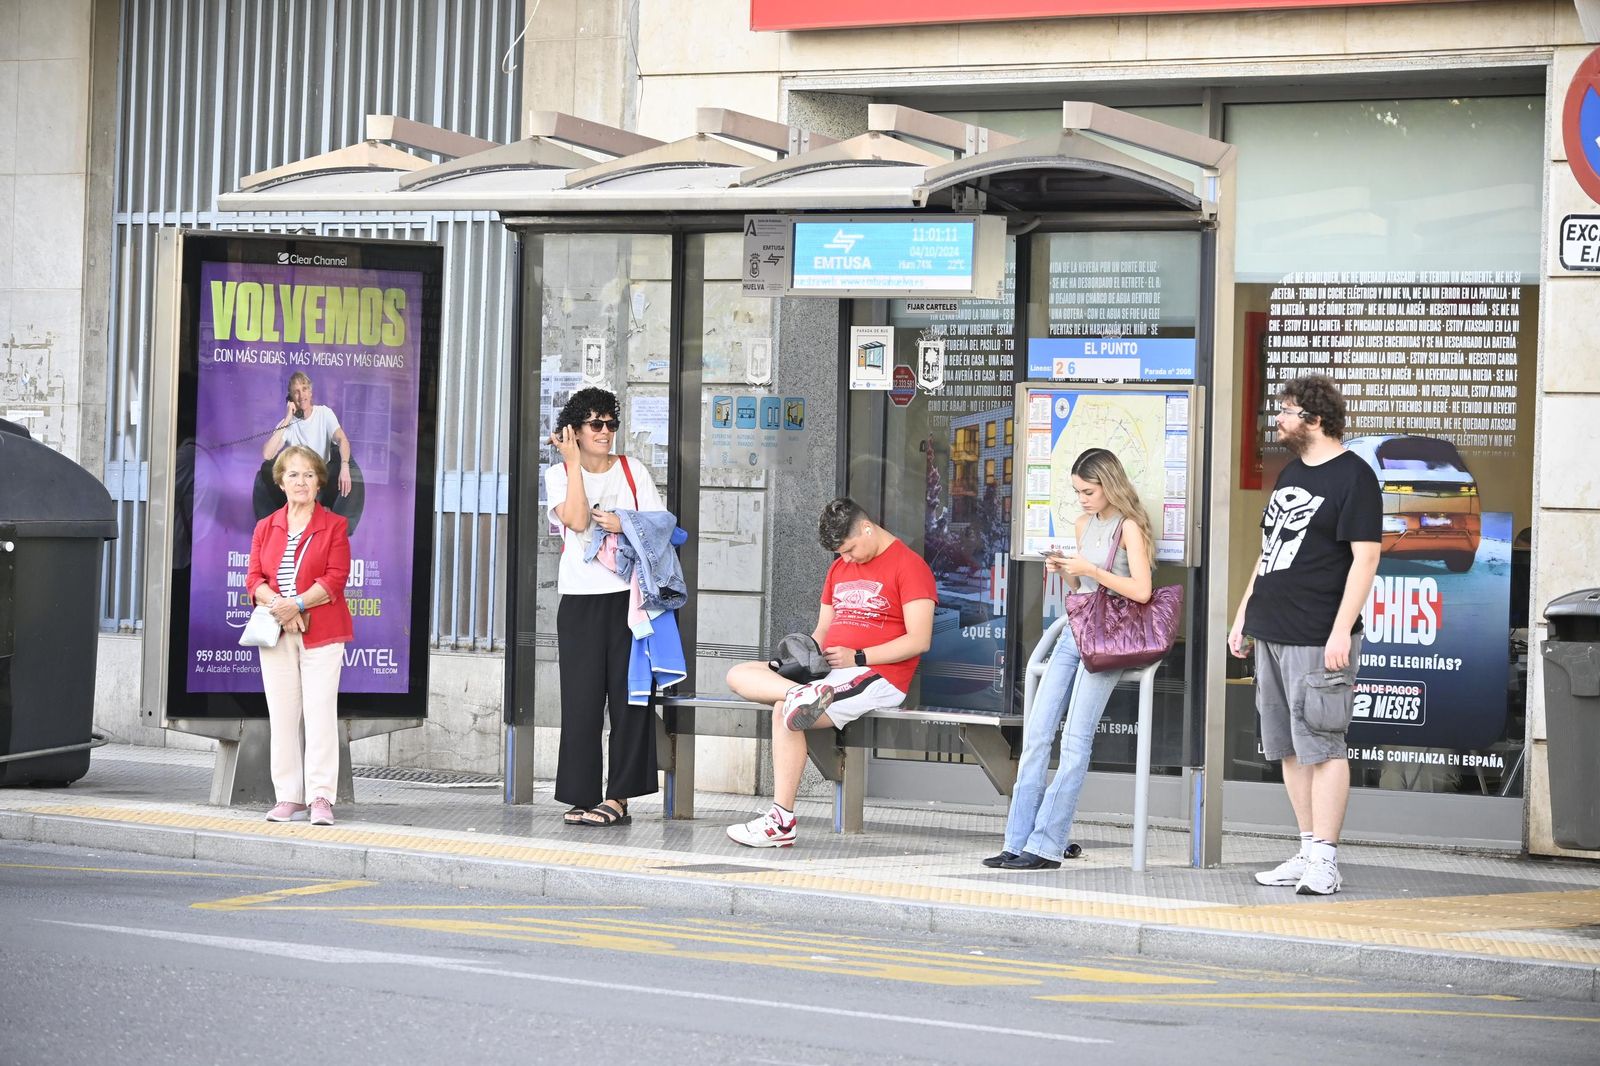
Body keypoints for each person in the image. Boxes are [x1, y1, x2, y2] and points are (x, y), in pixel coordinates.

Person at [1229, 373, 1381, 896]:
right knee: (1288, 748)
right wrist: (1244, 612)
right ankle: (1306, 847)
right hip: (1271, 627)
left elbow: (1366, 560)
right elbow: (1269, 551)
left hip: (1319, 634)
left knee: (1324, 744)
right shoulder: (1290, 472)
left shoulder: (1354, 477)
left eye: (1288, 410)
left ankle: (1326, 861)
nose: (1279, 418)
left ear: (1314, 419)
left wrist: (1342, 630)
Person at [725, 498, 936, 848]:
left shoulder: (910, 567)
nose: (846, 559)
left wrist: (860, 655)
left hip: (876, 674)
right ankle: (798, 693)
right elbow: (823, 629)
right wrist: (807, 655)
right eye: (841, 553)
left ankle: (780, 821)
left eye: (850, 549)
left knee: (786, 711)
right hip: (827, 673)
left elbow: (919, 639)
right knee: (740, 673)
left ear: (866, 528)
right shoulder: (839, 568)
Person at [984, 448, 1154, 871]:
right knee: (1038, 733)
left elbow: (1142, 591)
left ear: (1109, 485)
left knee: (1075, 741)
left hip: (1109, 639)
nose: (1082, 498)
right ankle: (1017, 839)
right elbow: (1080, 588)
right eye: (1077, 491)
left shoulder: (1128, 527)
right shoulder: (1082, 525)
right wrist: (1066, 570)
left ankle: (1047, 845)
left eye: (1089, 490)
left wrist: (1091, 572)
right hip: (1075, 632)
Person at [544, 387, 665, 828]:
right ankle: (581, 793)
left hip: (630, 601)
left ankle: (619, 797)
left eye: (611, 423)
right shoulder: (559, 475)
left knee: (631, 698)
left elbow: (661, 526)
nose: (605, 432)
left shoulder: (634, 471)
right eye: (595, 424)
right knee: (581, 700)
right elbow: (576, 520)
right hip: (578, 601)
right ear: (574, 430)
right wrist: (575, 465)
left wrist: (623, 522)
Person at [245, 444, 354, 826]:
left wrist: (298, 606)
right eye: (292, 474)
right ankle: (288, 796)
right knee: (283, 716)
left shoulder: (334, 526)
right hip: (277, 633)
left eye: (308, 474)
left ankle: (321, 797)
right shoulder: (266, 526)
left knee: (321, 714)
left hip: (322, 632)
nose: (300, 481)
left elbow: (335, 580)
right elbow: (254, 579)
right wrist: (280, 606)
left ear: (319, 481)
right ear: (281, 480)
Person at [264, 372, 353, 502]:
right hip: (300, 482)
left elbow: (342, 440)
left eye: (304, 389)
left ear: (310, 393)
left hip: (322, 478)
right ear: (291, 398)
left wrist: (345, 466)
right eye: (296, 392)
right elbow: (267, 454)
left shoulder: (324, 413)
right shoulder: (288, 423)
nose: (301, 395)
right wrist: (288, 418)